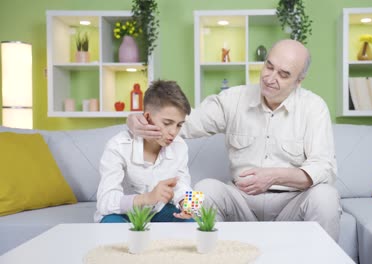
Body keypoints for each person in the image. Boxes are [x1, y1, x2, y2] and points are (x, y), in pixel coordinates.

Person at [127, 39, 341, 241]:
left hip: (292, 203)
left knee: (326, 197)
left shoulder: (314, 107)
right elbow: (186, 123)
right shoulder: (234, 99)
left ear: (298, 81)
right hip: (241, 201)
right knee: (204, 190)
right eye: (269, 66)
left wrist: (275, 176)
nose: (270, 77)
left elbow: (323, 168)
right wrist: (137, 119)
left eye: (283, 74)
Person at [95, 80, 194, 223]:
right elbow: (105, 202)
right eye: (167, 123)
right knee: (112, 227)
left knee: (192, 226)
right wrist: (146, 198)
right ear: (147, 117)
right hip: (121, 214)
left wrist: (188, 204)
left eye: (179, 125)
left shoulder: (180, 146)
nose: (173, 132)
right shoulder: (117, 146)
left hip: (158, 211)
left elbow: (182, 184)